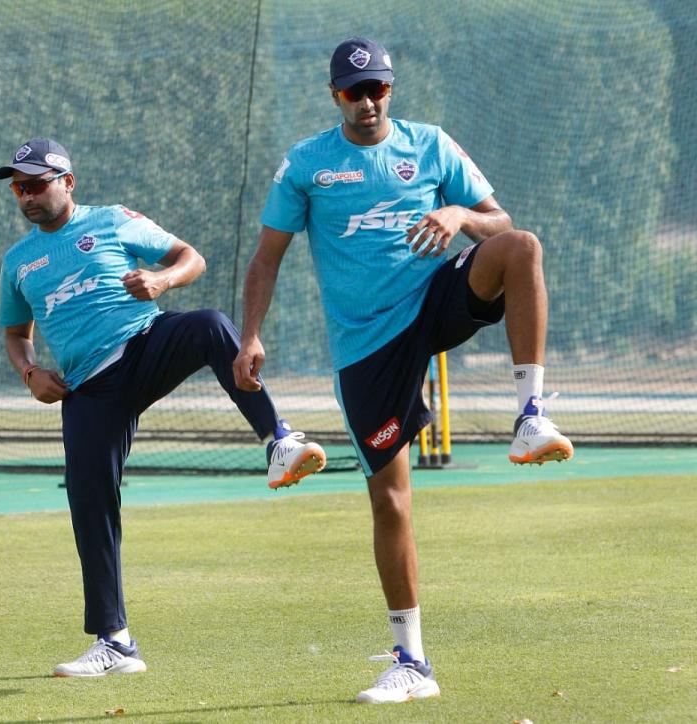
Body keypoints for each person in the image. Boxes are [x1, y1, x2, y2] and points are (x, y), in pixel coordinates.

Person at [233, 38, 574, 704]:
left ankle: (531, 417)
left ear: (392, 89)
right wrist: (249, 335)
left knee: (520, 247)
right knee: (391, 500)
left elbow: (499, 223)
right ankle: (412, 662)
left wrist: (459, 213)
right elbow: (266, 257)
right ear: (335, 95)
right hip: (368, 345)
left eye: (378, 89)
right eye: (354, 91)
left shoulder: (431, 145)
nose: (367, 102)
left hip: (434, 299)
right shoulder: (307, 165)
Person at [0, 138, 326, 678]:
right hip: (88, 388)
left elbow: (189, 257)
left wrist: (161, 280)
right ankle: (115, 643)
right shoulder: (18, 262)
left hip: (145, 343)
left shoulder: (112, 221)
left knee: (211, 325)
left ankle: (279, 441)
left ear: (68, 182)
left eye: (36, 183)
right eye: (18, 187)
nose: (26, 195)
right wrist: (29, 372)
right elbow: (15, 334)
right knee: (89, 504)